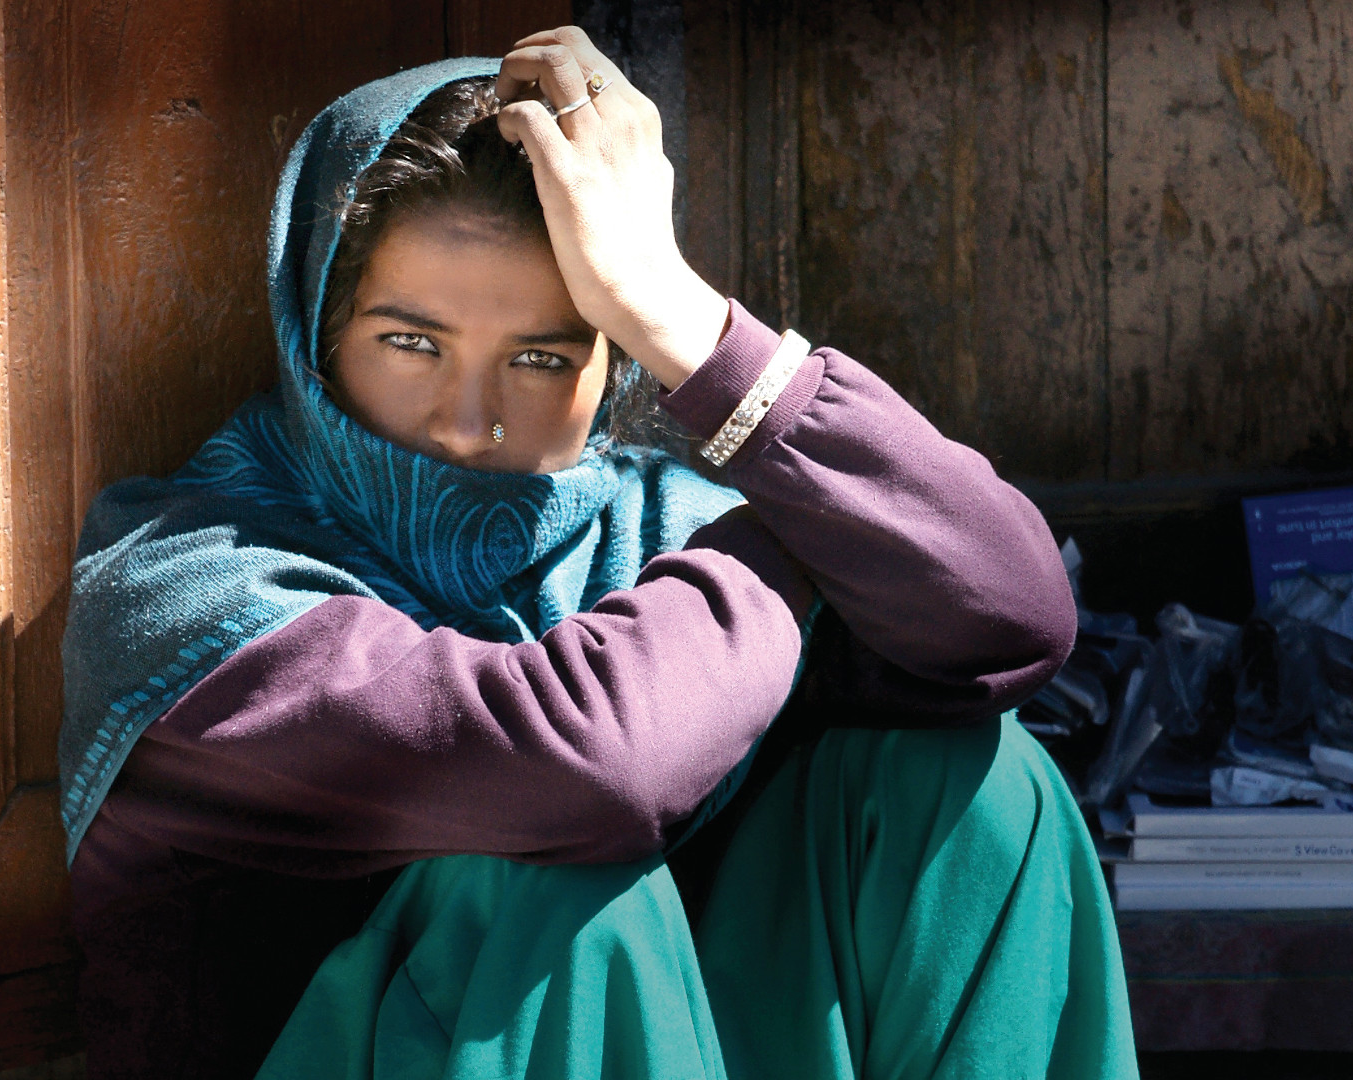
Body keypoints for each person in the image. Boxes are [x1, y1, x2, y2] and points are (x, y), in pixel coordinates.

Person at [60, 26, 1137, 1080]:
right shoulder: (188, 580)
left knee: (977, 780)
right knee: (550, 895)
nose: (469, 421)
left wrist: (683, 319)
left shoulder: (650, 527)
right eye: (409, 342)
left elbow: (1013, 615)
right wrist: (797, 534)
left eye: (540, 356)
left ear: (612, 367)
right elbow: (591, 769)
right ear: (315, 339)